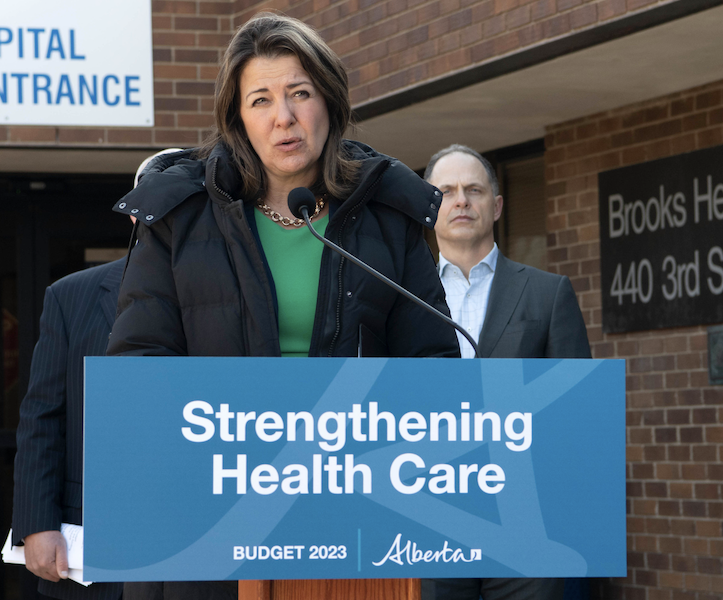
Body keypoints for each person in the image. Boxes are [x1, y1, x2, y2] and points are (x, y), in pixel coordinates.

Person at [107, 12, 460, 599]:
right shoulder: (178, 218)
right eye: (261, 100)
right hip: (215, 517)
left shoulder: (387, 216)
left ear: (331, 102)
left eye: (300, 93)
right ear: (237, 119)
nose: (284, 118)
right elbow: (139, 369)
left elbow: (433, 370)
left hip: (352, 519)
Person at [421, 144, 592, 600]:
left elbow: (575, 414)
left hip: (529, 527)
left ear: (496, 206)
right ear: (427, 209)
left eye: (474, 190)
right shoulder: (398, 299)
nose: (461, 201)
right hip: (430, 520)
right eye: (447, 191)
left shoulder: (548, 294)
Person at [11, 254, 128, 600]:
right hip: (90, 541)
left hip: (199, 541)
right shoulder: (72, 294)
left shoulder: (233, 287)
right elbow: (43, 417)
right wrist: (37, 524)